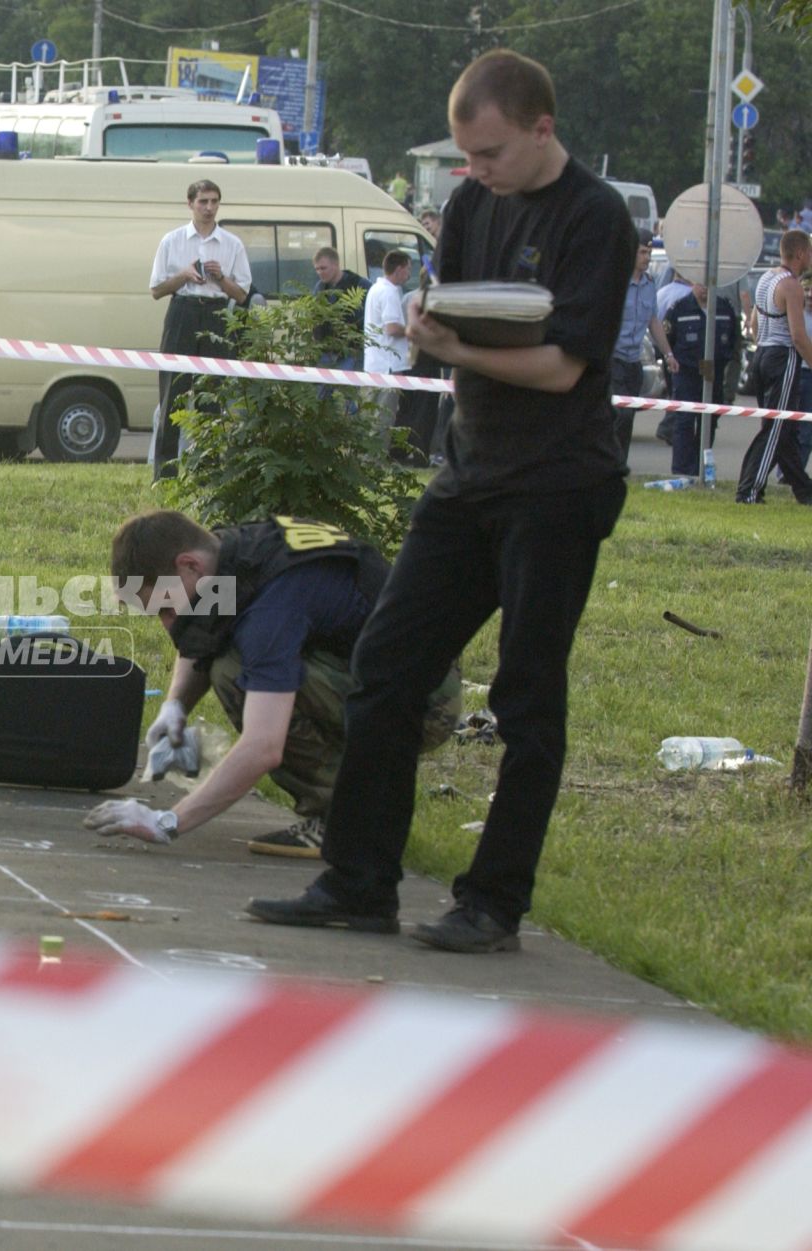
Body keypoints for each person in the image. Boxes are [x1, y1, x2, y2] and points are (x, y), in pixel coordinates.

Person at [247, 49, 638, 953]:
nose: (477, 174)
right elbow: (450, 320)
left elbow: (562, 366)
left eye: (492, 154)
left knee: (526, 695)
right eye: (467, 156)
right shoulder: (468, 205)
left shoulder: (595, 217)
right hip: (469, 478)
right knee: (385, 665)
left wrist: (455, 353)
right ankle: (358, 881)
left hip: (559, 485)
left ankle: (492, 903)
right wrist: (430, 333)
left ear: (542, 128)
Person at [84, 512, 461, 858]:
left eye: (165, 609)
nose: (167, 625)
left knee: (237, 673)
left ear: (189, 566)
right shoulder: (228, 553)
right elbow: (204, 631)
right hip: (387, 667)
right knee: (229, 662)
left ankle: (346, 820)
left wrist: (167, 822)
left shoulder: (271, 611)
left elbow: (264, 746)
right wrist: (175, 706)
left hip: (426, 701)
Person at [148, 179, 250, 478]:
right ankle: (165, 473)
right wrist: (182, 276)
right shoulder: (173, 240)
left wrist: (220, 278)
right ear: (190, 203)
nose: (209, 208)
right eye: (203, 202)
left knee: (212, 396)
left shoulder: (232, 244)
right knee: (172, 394)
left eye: (214, 202)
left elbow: (241, 295)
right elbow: (156, 290)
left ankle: (208, 472)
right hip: (182, 311)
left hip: (216, 314)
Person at [734, 229, 812, 504]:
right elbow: (798, 336)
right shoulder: (791, 286)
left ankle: (805, 490)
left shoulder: (767, 279)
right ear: (800, 253)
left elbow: (754, 323)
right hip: (783, 357)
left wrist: (763, 346)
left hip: (762, 353)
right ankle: (749, 491)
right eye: (810, 252)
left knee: (783, 430)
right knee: (776, 429)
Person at [607, 229, 681, 456]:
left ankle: (619, 464)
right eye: (642, 252)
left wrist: (668, 355)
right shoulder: (615, 281)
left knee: (628, 420)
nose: (647, 258)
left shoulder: (649, 284)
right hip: (614, 359)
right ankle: (607, 460)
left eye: (649, 252)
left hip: (633, 362)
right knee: (621, 414)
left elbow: (653, 321)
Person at [662, 279, 742, 477]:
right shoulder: (679, 309)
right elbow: (667, 341)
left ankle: (699, 469)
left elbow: (733, 340)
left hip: (712, 374)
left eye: (708, 283)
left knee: (710, 421)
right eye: (700, 283)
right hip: (686, 373)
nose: (704, 288)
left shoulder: (724, 308)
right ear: (692, 284)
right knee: (684, 421)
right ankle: (682, 471)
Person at [363, 251, 413, 430]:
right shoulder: (390, 292)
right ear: (398, 269)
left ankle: (365, 458)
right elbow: (392, 328)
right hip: (388, 366)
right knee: (383, 421)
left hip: (374, 363)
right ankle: (376, 458)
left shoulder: (376, 289)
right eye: (408, 269)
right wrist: (413, 331)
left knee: (370, 419)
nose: (409, 274)